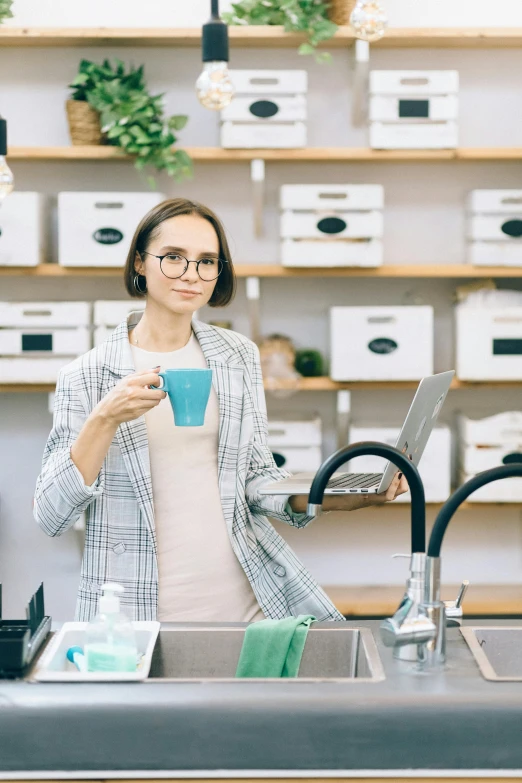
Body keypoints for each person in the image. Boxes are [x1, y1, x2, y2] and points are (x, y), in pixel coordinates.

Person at [34, 198, 407, 623]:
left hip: (246, 604)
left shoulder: (236, 356)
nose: (191, 275)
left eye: (207, 261)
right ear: (140, 263)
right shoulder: (86, 375)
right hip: (138, 612)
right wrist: (104, 418)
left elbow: (257, 481)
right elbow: (51, 515)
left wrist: (343, 495)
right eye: (173, 257)